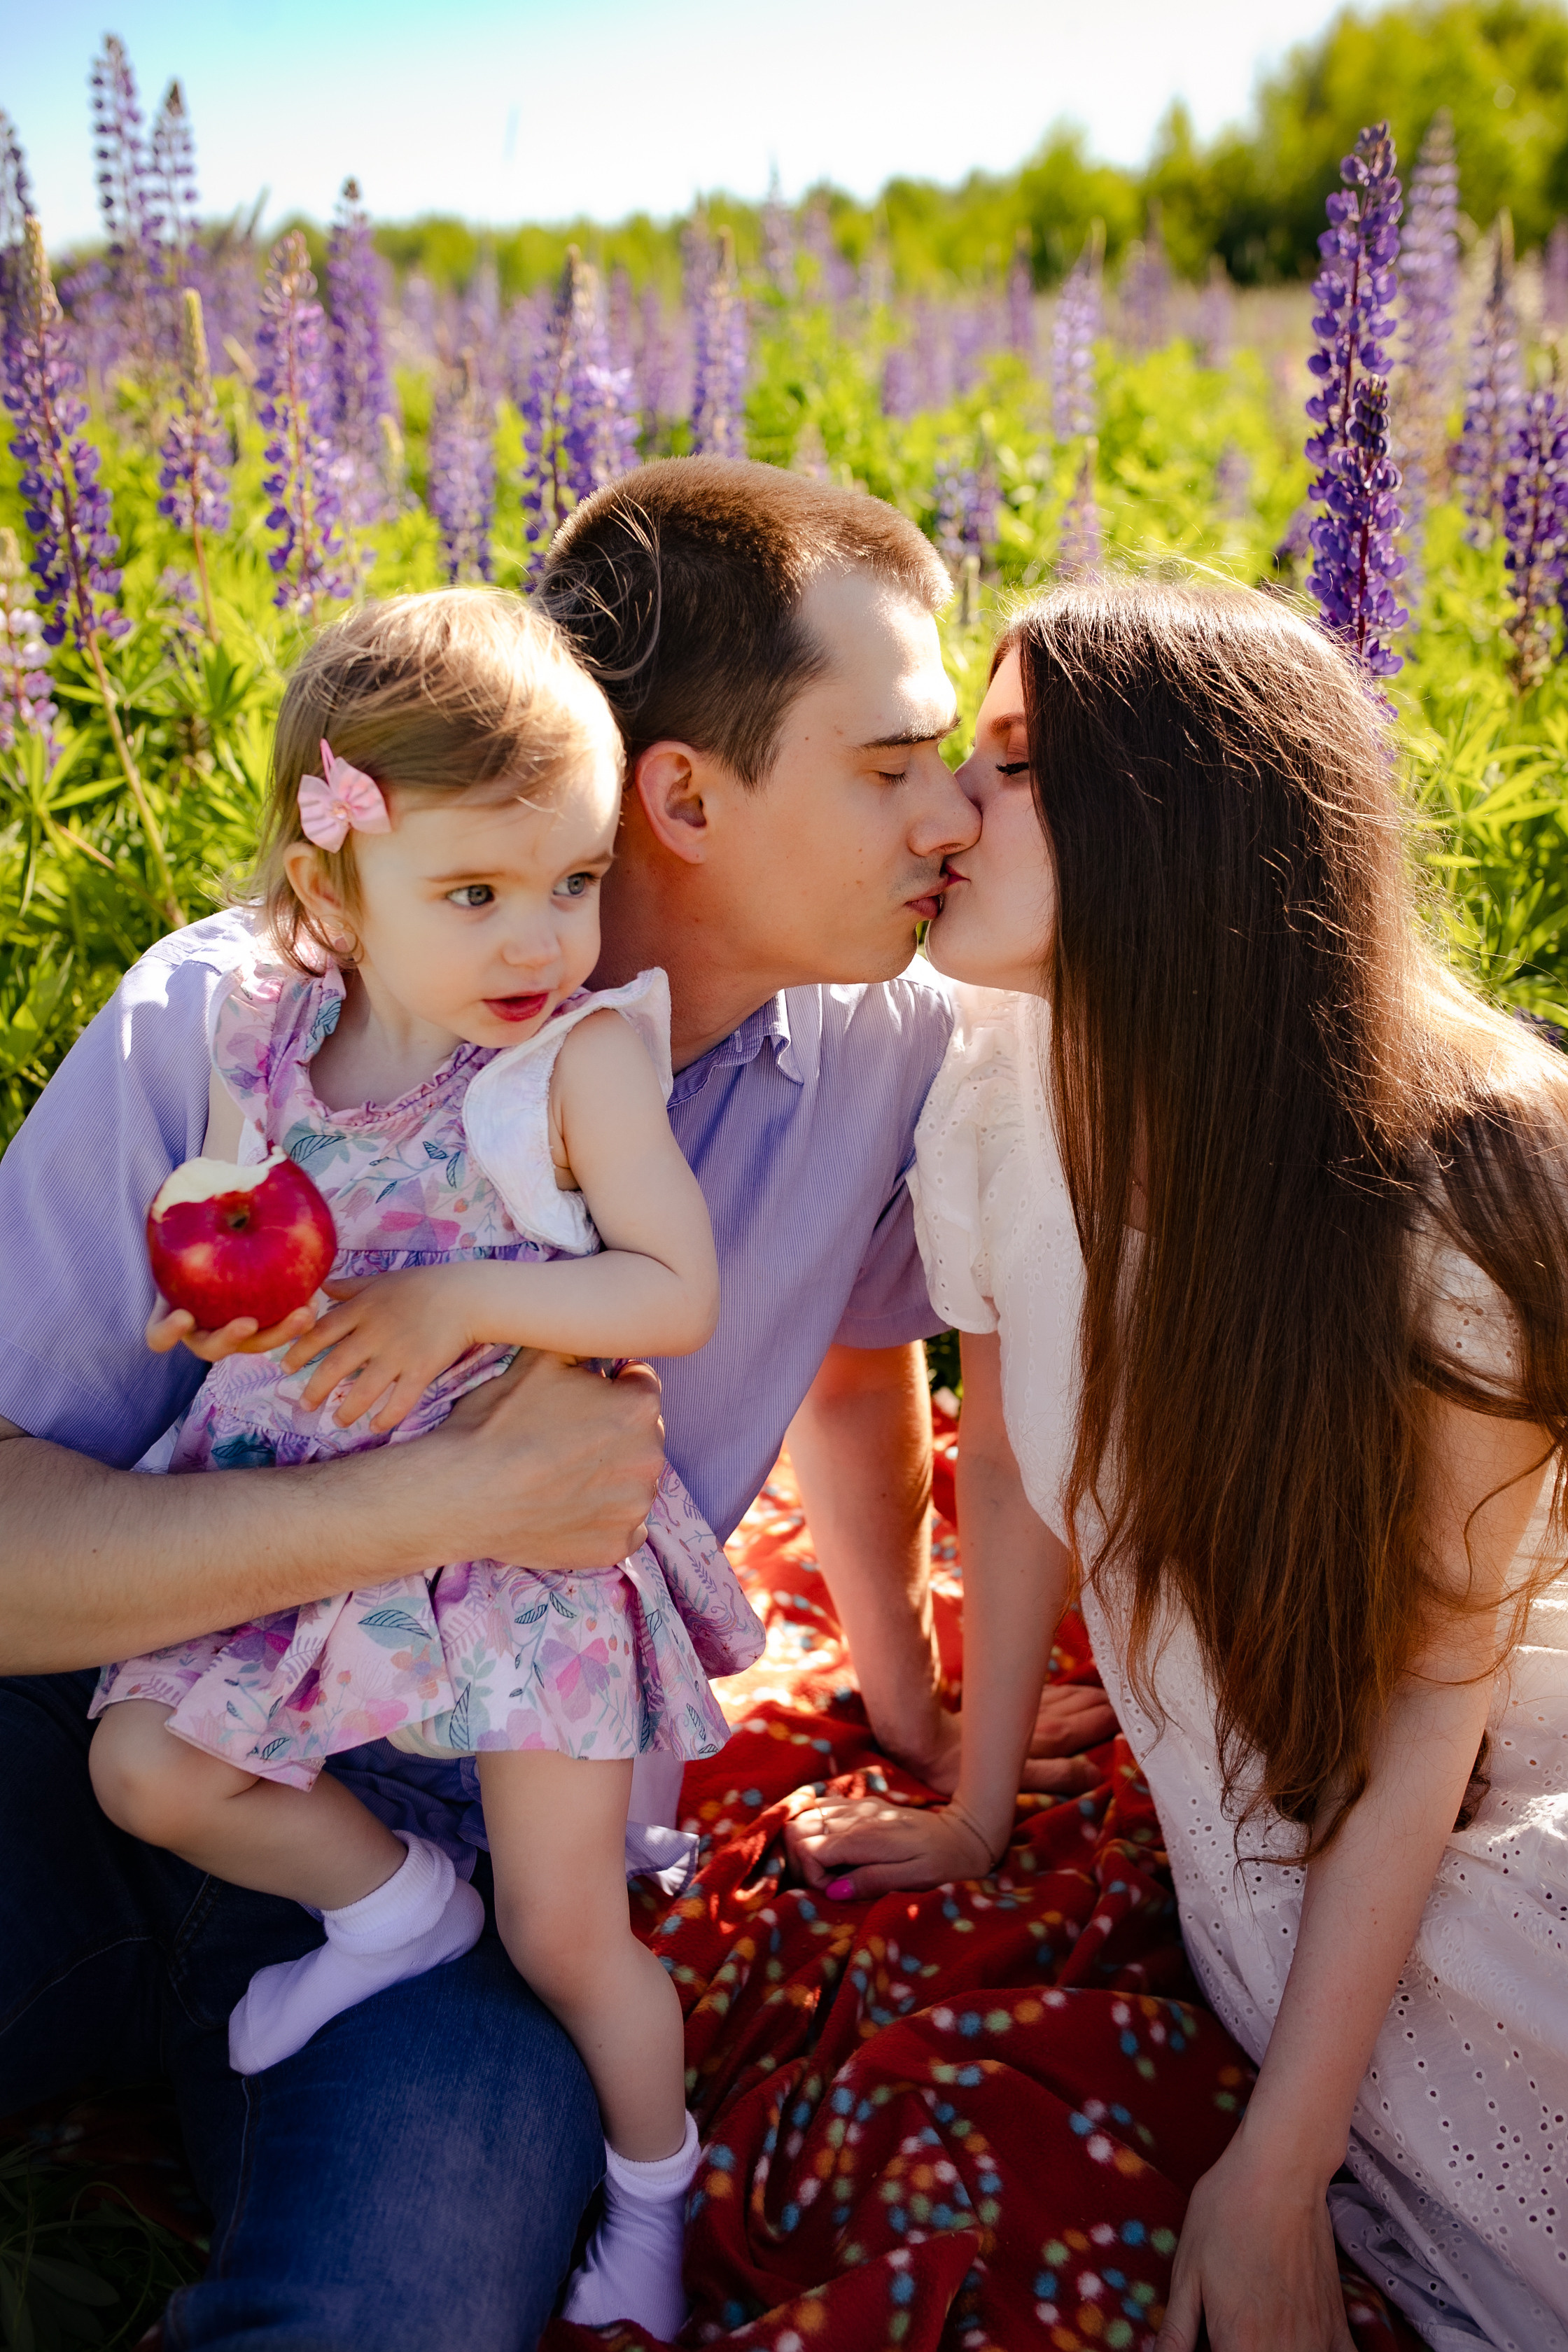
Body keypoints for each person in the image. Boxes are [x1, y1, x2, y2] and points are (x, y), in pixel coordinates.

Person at [2, 458, 1085, 2351]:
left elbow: (852, 1343)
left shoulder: (880, 1048)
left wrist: (903, 1669)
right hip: (101, 1717)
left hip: (476, 1839)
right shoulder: (236, 1029)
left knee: (389, 2309)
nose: (953, 813)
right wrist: (457, 1497)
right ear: (684, 796)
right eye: (892, 759)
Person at [792, 581, 1568, 2352]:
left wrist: (1270, 2172)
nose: (942, 815)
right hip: (1263, 1861)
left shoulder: (1468, 1184)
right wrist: (978, 1804)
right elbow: (996, 1456)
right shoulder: (1002, 1072)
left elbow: (1424, 1731)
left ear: (1177, 820)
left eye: (1007, 768)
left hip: (1465, 1834)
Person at [83, 589, 765, 2338]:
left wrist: (458, 1288)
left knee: (563, 1932)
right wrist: (221, 1325)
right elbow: (259, 1251)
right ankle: (385, 1908)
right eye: (474, 893)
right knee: (145, 1767)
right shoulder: (266, 1055)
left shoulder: (571, 1066)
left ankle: (650, 2194)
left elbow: (673, 1289)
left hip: (526, 1568)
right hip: (325, 1541)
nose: (540, 934)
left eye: (572, 879)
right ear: (334, 889)